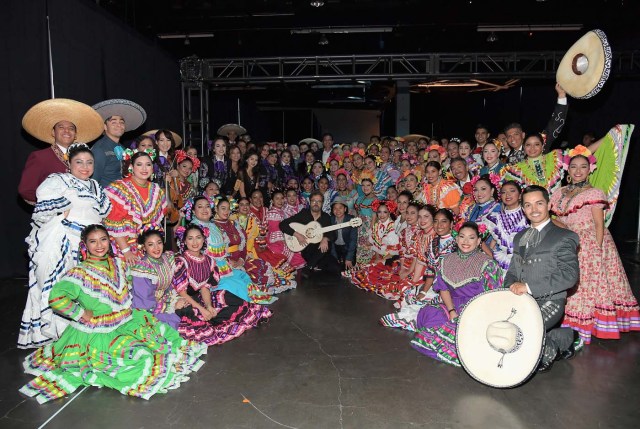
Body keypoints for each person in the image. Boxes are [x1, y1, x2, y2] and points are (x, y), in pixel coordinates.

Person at [20, 224, 206, 404]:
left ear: (110, 241)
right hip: (98, 331)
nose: (99, 245)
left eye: (103, 240)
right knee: (140, 360)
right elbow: (56, 298)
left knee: (161, 343)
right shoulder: (80, 272)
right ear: (85, 245)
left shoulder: (118, 263)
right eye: (93, 242)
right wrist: (80, 312)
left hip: (124, 320)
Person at [19, 143, 112, 348]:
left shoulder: (96, 186)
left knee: (88, 289)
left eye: (89, 162)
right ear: (69, 164)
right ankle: (60, 335)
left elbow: (102, 215)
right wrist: (61, 215)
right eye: (79, 162)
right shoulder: (58, 181)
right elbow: (43, 211)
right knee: (59, 286)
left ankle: (83, 332)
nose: (85, 167)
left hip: (91, 245)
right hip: (62, 241)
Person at [550, 147, 640, 344]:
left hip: (590, 241)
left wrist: (597, 250)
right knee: (571, 283)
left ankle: (589, 324)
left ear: (590, 169)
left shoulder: (594, 192)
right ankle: (569, 321)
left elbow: (600, 224)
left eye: (583, 166)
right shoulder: (560, 193)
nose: (578, 170)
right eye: (574, 166)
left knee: (589, 285)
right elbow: (555, 219)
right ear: (567, 169)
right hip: (569, 240)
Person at [506, 185, 580, 372]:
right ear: (523, 209)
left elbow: (569, 276)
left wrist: (528, 287)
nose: (534, 209)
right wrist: (510, 286)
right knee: (502, 330)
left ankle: (556, 343)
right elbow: (513, 270)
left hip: (550, 301)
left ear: (548, 205)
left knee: (523, 344)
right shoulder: (520, 237)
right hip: (523, 301)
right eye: (528, 205)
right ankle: (561, 334)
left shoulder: (564, 236)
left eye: (539, 203)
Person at [411, 222, 503, 366]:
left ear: (479, 241)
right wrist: (452, 310)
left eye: (471, 238)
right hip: (450, 304)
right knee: (427, 312)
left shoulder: (488, 264)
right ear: (456, 239)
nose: (465, 242)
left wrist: (469, 313)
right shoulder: (447, 260)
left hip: (475, 308)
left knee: (460, 330)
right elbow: (443, 289)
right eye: (462, 237)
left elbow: (492, 297)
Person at [172, 224, 272, 345]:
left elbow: (205, 287)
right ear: (184, 241)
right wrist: (202, 309)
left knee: (225, 295)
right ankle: (212, 320)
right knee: (193, 314)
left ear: (204, 239)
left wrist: (208, 306)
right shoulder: (181, 261)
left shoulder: (208, 261)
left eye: (198, 237)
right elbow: (182, 292)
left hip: (201, 298)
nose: (194, 242)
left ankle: (214, 316)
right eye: (190, 238)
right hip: (186, 299)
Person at [19, 98, 104, 204]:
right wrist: (51, 206)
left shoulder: (84, 157)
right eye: (61, 127)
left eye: (71, 128)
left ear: (76, 134)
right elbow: (26, 190)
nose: (66, 131)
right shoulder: (40, 157)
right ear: (53, 132)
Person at [104, 150, 179, 264]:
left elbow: (160, 222)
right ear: (132, 167)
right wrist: (126, 251)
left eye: (148, 164)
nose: (144, 168)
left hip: (147, 248)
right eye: (139, 164)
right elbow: (113, 224)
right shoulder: (120, 188)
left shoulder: (156, 190)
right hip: (122, 247)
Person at [130, 225, 189, 329]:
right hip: (148, 307)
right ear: (144, 247)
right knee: (173, 323)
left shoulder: (166, 258)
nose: (156, 248)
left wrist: (177, 299)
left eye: (159, 243)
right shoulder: (143, 268)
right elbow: (144, 301)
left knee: (188, 309)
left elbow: (169, 286)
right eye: (151, 244)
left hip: (164, 299)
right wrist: (170, 306)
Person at [504, 83, 569, 165]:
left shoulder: (537, 143)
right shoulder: (507, 158)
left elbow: (553, 126)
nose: (512, 138)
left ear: (523, 135)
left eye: (516, 134)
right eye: (509, 136)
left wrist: (561, 96)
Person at [91, 99, 147, 188]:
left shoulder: (124, 149)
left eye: (121, 122)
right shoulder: (100, 149)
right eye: (114, 122)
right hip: (107, 198)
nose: (119, 125)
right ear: (105, 126)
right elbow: (93, 181)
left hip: (124, 196)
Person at [280, 191, 339, 275]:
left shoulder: (326, 217)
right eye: (313, 201)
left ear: (322, 203)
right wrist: (297, 235)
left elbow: (333, 234)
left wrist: (325, 238)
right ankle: (311, 266)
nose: (316, 203)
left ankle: (311, 266)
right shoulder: (304, 214)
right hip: (308, 249)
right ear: (310, 202)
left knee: (336, 268)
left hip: (322, 251)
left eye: (319, 201)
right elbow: (283, 224)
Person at [485, 180, 529, 277]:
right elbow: (476, 236)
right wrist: (489, 255)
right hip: (503, 264)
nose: (507, 195)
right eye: (503, 192)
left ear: (520, 195)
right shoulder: (494, 218)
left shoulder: (529, 213)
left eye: (512, 191)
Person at [265, 190, 306, 270]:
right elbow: (276, 233)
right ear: (272, 200)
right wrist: (288, 243)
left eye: (281, 198)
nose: (280, 201)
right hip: (276, 243)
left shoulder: (280, 211)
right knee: (297, 256)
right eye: (277, 199)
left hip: (283, 240)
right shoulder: (273, 213)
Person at [330, 197, 358, 272]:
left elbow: (353, 240)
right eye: (335, 208)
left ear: (345, 209)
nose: (338, 211)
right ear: (332, 210)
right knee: (335, 269)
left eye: (340, 208)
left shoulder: (351, 220)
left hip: (348, 248)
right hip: (336, 249)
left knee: (349, 269)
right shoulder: (330, 220)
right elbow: (331, 241)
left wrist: (349, 258)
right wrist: (334, 257)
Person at [354, 178, 377, 265]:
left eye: (368, 185)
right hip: (360, 227)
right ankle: (358, 268)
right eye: (363, 185)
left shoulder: (375, 200)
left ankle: (365, 271)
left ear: (372, 186)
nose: (365, 187)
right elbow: (357, 213)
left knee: (367, 248)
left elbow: (374, 218)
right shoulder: (360, 198)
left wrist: (371, 233)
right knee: (359, 248)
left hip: (368, 228)